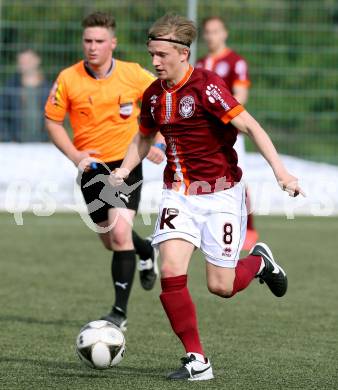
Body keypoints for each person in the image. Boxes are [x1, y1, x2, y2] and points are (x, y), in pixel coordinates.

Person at [109, 14, 304, 380]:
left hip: (221, 196)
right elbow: (143, 137)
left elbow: (250, 125)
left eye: (161, 55)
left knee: (221, 286)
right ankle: (197, 360)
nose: (154, 62)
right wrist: (122, 170)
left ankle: (260, 263)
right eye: (151, 54)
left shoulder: (206, 86)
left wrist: (281, 171)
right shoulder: (153, 95)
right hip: (178, 195)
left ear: (183, 54)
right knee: (170, 269)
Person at [45, 12, 166, 331]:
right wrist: (75, 156)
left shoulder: (133, 75)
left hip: (126, 165)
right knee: (111, 240)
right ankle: (147, 250)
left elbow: (163, 104)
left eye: (99, 41)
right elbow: (52, 121)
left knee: (120, 232)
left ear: (113, 43)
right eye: (88, 41)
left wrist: (160, 143)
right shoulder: (68, 78)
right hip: (91, 169)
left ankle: (118, 314)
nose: (93, 47)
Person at [196, 17, 258, 250]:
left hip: (228, 133)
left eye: (216, 31)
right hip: (204, 135)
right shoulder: (201, 62)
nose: (211, 36)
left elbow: (240, 96)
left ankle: (249, 228)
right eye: (208, 32)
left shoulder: (235, 62)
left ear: (225, 33)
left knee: (238, 180)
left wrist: (219, 115)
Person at [0, 49, 50, 142]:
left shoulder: (49, 88)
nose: (24, 64)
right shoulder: (10, 86)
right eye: (21, 61)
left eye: (28, 60)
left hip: (43, 143)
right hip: (16, 143)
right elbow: (2, 114)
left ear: (37, 60)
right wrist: (8, 139)